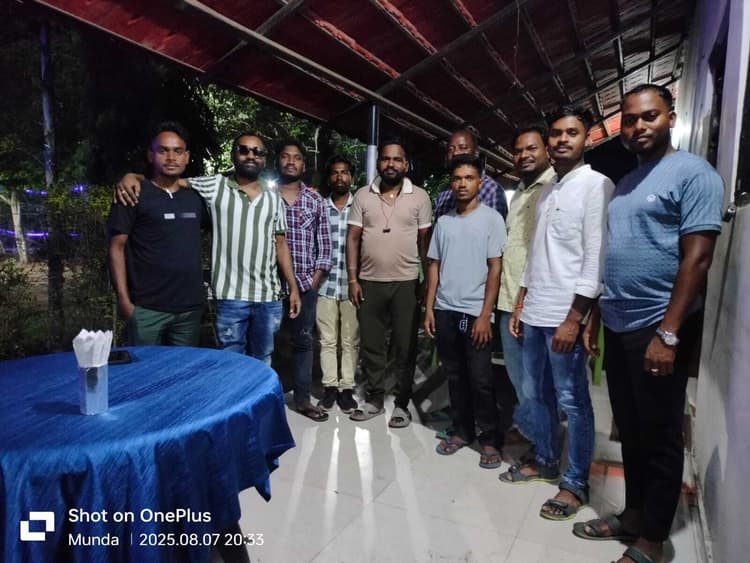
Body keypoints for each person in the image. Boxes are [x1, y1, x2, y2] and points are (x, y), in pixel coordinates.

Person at [575, 84, 723, 563]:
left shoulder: (695, 174)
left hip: (658, 324)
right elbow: (617, 255)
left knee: (660, 435)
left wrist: (668, 333)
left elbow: (697, 261)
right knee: (631, 429)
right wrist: (598, 316)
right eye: (631, 119)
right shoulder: (629, 181)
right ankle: (634, 514)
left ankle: (653, 540)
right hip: (619, 324)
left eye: (649, 116)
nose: (638, 127)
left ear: (670, 118)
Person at [499, 106, 615, 523]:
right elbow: (537, 253)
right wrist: (521, 301)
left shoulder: (597, 186)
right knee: (536, 393)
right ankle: (546, 459)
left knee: (574, 400)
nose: (562, 139)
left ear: (588, 138)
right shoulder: (548, 190)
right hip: (534, 311)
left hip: (565, 315)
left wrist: (574, 318)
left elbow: (596, 257)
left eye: (572, 132)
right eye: (556, 133)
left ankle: (575, 482)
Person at [115, 133, 301, 365]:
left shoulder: (274, 198)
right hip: (230, 297)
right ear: (234, 155)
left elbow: (281, 244)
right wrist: (133, 176)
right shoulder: (214, 185)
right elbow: (169, 180)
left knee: (263, 359)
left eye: (257, 152)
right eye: (244, 150)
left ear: (264, 158)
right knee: (230, 363)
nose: (251, 155)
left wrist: (293, 287)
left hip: (268, 297)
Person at [424, 154, 506, 468]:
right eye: (457, 178)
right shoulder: (444, 222)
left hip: (475, 314)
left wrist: (486, 314)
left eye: (469, 178)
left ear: (479, 183)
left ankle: (490, 439)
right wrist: (430, 308)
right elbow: (434, 267)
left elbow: (495, 268)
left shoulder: (492, 219)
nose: (462, 184)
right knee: (455, 376)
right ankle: (462, 431)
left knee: (481, 379)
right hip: (445, 310)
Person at [346, 136, 432, 426]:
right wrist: (353, 279)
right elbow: (353, 239)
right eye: (385, 158)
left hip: (406, 283)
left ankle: (401, 404)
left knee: (405, 347)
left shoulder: (419, 197)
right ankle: (374, 399)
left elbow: (425, 242)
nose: (391, 164)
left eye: (397, 159)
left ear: (406, 164)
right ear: (379, 163)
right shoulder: (362, 195)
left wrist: (427, 282)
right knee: (372, 345)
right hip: (369, 282)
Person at [108, 122, 208, 346]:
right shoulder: (132, 194)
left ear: (187, 157)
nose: (171, 157)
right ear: (151, 155)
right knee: (145, 368)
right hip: (147, 309)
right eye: (163, 150)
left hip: (189, 310)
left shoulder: (195, 198)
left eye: (178, 151)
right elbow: (116, 247)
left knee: (183, 368)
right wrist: (124, 301)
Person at [497, 124, 556, 441]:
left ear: (547, 150)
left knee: (536, 381)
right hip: (509, 299)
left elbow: (543, 252)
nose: (524, 155)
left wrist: (522, 303)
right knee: (519, 376)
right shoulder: (521, 191)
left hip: (531, 304)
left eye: (532, 148)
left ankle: (544, 447)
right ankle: (533, 431)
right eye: (518, 150)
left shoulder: (553, 189)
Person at [275, 138, 331, 421]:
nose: (291, 162)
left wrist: (313, 281)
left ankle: (302, 399)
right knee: (268, 344)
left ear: (303, 165)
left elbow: (325, 245)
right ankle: (268, 400)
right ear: (278, 161)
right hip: (270, 285)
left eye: (296, 157)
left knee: (303, 341)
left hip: (305, 284)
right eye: (285, 156)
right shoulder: (266, 197)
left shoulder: (315, 200)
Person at [316, 155, 359, 414]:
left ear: (351, 177)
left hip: (353, 285)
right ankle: (330, 387)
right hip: (325, 284)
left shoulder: (360, 206)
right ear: (329, 177)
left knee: (350, 340)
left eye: (344, 172)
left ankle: (347, 389)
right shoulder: (320, 206)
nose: (340, 177)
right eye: (335, 172)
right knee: (327, 340)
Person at [434, 129, 508, 220]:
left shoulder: (492, 190)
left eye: (462, 147)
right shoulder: (444, 193)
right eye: (450, 149)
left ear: (476, 152)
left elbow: (495, 227)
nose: (455, 153)